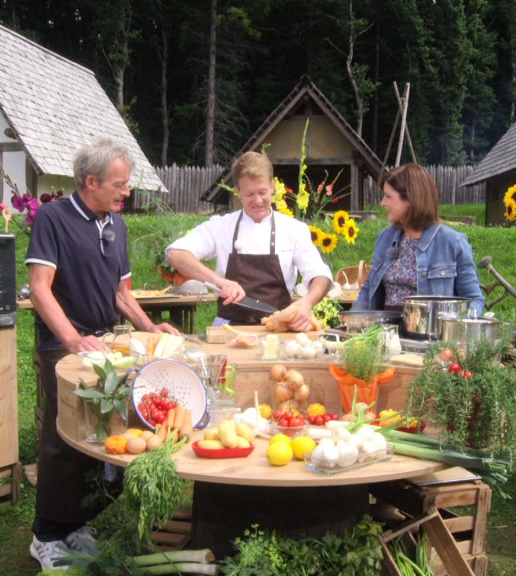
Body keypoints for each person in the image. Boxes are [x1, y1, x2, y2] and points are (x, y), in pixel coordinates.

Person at [24, 139, 179, 571]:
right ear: (91, 182)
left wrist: (151, 328)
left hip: (106, 345)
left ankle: (77, 522)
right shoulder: (53, 218)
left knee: (102, 437)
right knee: (62, 440)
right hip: (64, 346)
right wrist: (73, 340)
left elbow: (120, 293)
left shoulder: (116, 224)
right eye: (119, 184)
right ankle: (47, 534)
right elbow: (40, 289)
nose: (126, 192)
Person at [166, 151, 333, 330]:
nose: (258, 200)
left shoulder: (293, 229)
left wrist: (307, 302)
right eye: (250, 194)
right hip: (228, 330)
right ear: (238, 192)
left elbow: (320, 275)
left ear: (272, 187)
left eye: (262, 192)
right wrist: (219, 281)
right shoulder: (221, 226)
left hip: (279, 328)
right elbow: (175, 254)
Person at [353, 163, 484, 314]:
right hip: (386, 333)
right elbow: (368, 290)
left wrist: (460, 327)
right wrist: (353, 321)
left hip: (431, 333)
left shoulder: (452, 243)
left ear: (410, 199)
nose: (382, 203)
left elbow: (475, 300)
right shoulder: (385, 238)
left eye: (388, 196)